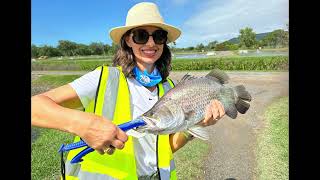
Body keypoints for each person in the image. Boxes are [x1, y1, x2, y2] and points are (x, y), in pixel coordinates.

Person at [31, 2, 225, 180]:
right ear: (128, 40)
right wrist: (81, 123)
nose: (151, 43)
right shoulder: (104, 79)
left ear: (164, 42)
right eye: (141, 35)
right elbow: (35, 106)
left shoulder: (171, 90)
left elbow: (165, 149)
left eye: (158, 36)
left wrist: (194, 126)